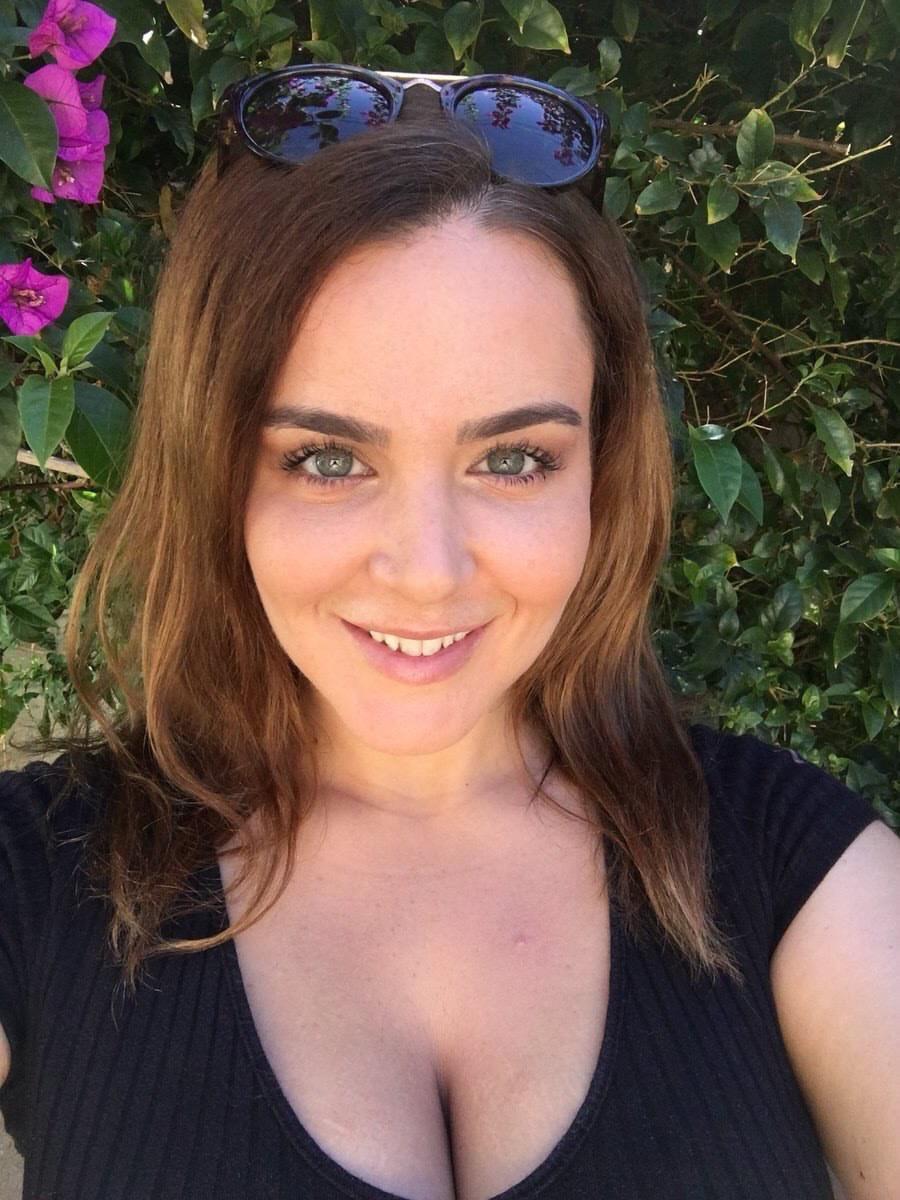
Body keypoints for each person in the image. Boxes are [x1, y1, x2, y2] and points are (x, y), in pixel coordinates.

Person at [0, 63, 897, 1200]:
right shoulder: (35, 873)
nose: (428, 572)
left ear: (602, 468)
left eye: (513, 459)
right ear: (213, 467)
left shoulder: (802, 868)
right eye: (326, 460)